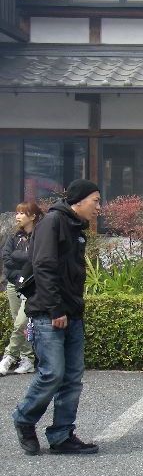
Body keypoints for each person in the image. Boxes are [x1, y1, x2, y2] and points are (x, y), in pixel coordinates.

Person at [12, 179, 101, 456]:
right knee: (52, 374)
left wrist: (72, 309)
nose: (99, 207)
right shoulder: (52, 223)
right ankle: (24, 418)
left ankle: (62, 435)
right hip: (48, 314)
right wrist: (56, 309)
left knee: (72, 378)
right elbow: (44, 267)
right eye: (95, 200)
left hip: (72, 313)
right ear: (78, 200)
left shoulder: (76, 228)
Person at [1, 201, 44, 376]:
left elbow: (35, 260)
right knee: (19, 324)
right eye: (17, 213)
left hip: (30, 286)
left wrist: (19, 258)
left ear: (32, 216)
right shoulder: (14, 236)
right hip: (13, 285)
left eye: (21, 213)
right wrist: (23, 262)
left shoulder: (40, 236)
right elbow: (7, 258)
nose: (17, 216)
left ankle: (9, 357)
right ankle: (27, 359)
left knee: (21, 322)